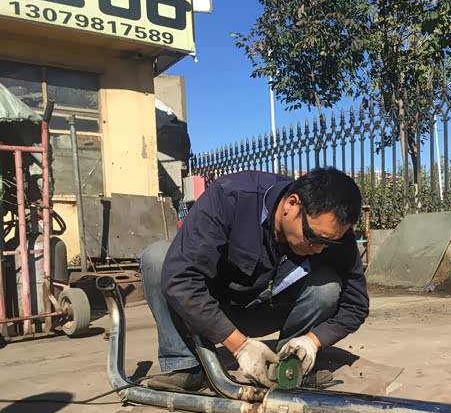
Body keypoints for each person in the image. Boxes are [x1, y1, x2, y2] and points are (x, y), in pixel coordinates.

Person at [140, 167, 369, 391]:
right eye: (313, 239)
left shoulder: (332, 233)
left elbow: (356, 306)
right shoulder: (230, 197)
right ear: (291, 204)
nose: (319, 249)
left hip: (269, 312)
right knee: (158, 258)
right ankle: (188, 367)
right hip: (211, 310)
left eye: (328, 243)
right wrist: (240, 346)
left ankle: (288, 365)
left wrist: (312, 340)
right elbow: (181, 279)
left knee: (326, 288)